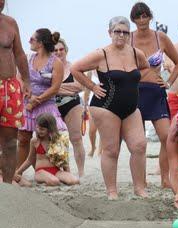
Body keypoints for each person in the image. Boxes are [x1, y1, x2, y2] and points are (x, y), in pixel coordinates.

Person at [71, 16, 149, 199]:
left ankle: (139, 188)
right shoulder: (101, 54)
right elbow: (75, 68)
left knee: (139, 146)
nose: (121, 35)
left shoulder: (136, 53)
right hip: (106, 106)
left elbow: (146, 68)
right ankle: (112, 191)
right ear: (110, 33)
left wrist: (140, 81)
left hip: (131, 107)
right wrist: (91, 86)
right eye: (117, 31)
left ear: (129, 34)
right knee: (111, 149)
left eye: (125, 32)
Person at [130, 2, 178, 188]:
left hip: (156, 92)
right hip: (134, 94)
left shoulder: (160, 37)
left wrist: (168, 82)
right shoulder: (128, 39)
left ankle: (165, 178)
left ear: (150, 17)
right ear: (133, 19)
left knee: (167, 136)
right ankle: (141, 181)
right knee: (139, 142)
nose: (142, 20)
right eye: (138, 16)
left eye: (145, 16)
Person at [17, 28, 66, 170]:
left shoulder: (56, 62)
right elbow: (19, 77)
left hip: (46, 105)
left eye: (32, 39)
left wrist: (36, 100)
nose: (29, 41)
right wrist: (27, 93)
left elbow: (55, 88)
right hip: (27, 102)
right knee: (23, 140)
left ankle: (54, 169)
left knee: (50, 140)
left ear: (41, 43)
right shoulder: (28, 58)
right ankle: (18, 172)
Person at [0, 0, 31, 184]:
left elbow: (19, 53)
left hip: (10, 87)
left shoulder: (10, 23)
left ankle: (8, 188)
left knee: (11, 142)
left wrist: (26, 80)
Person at [14, 113, 79, 186]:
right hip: (40, 172)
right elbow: (30, 160)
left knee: (74, 181)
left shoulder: (57, 141)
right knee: (54, 181)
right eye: (37, 128)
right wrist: (18, 172)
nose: (38, 131)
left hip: (56, 171)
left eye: (42, 129)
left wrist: (68, 174)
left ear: (50, 129)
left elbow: (64, 160)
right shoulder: (35, 141)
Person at [54, 39, 86, 177]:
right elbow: (44, 88)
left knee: (76, 139)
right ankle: (64, 172)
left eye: (61, 49)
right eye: (55, 50)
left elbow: (79, 87)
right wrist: (68, 88)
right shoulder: (49, 68)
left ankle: (81, 172)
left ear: (66, 51)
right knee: (56, 140)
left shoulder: (73, 67)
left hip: (72, 105)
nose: (58, 52)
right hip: (53, 106)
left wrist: (56, 88)